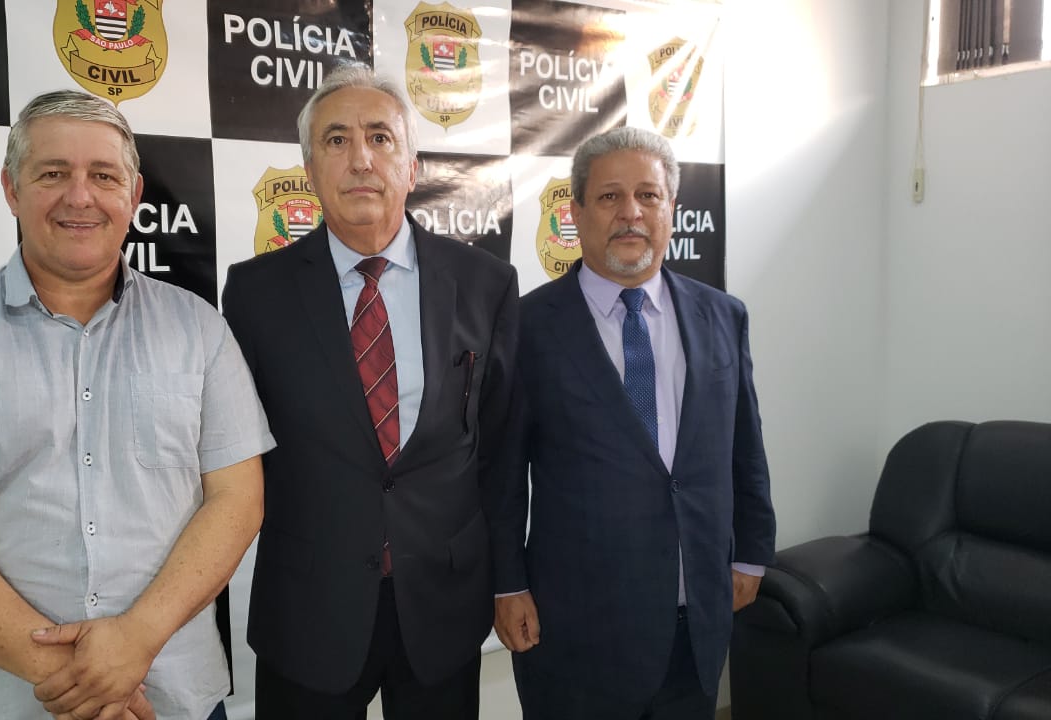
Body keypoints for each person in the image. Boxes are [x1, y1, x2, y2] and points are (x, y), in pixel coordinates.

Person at [0, 89, 274, 720]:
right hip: (5, 701)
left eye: (104, 176)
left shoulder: (200, 330)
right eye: (52, 174)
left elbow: (237, 502)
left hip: (173, 696)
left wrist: (136, 640)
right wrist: (80, 682)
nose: (80, 196)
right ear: (11, 189)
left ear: (134, 194)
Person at [221, 65, 518, 720]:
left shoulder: (486, 283)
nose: (360, 158)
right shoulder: (255, 293)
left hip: (442, 608)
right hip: (308, 612)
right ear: (309, 169)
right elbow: (235, 462)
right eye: (336, 140)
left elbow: (497, 454)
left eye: (380, 137)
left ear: (412, 166)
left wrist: (510, 582)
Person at [492, 126, 776, 719]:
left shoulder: (724, 316)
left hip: (695, 619)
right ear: (576, 213)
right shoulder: (526, 327)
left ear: (671, 208)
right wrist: (507, 583)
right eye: (609, 197)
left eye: (649, 195)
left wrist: (752, 553)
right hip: (575, 630)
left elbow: (745, 447)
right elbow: (502, 475)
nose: (631, 213)